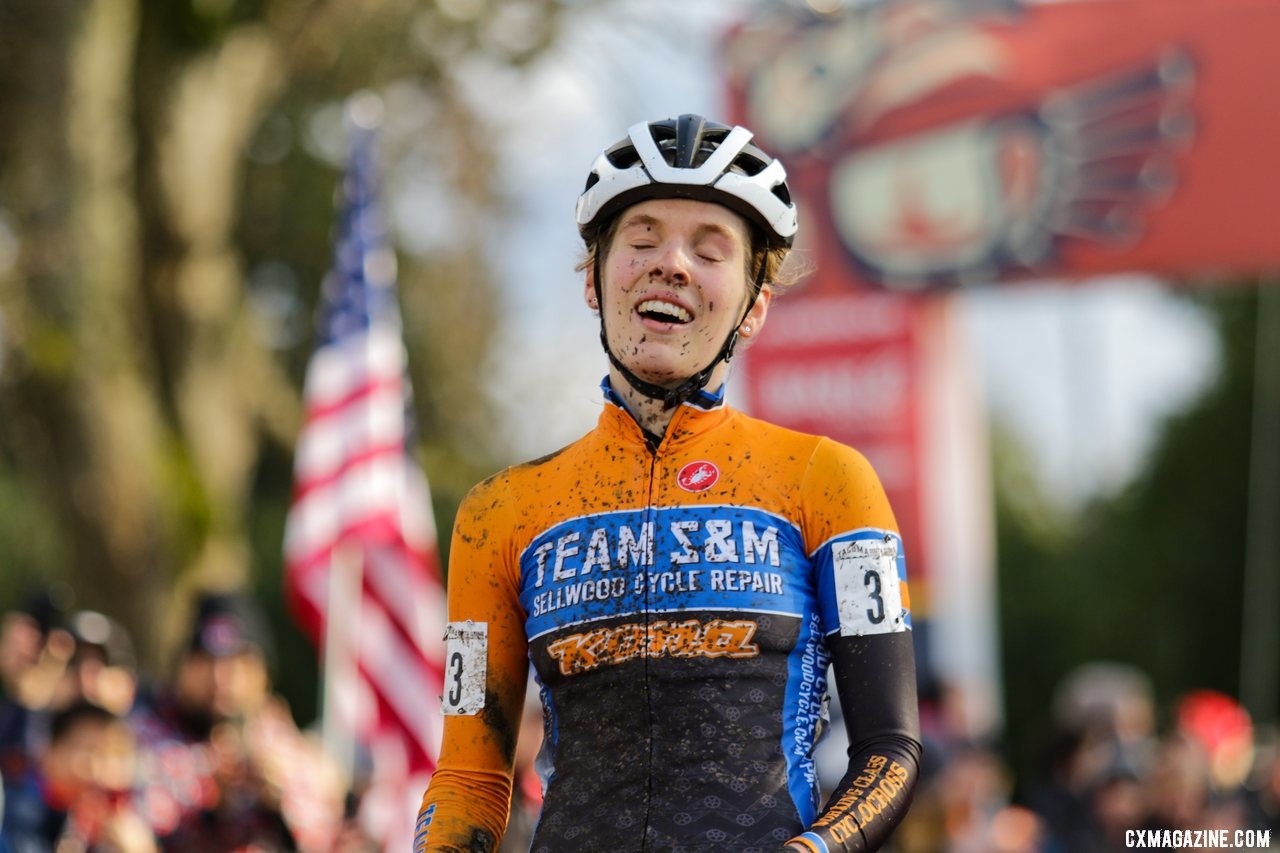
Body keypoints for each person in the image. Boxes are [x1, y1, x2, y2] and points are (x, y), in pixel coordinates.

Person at [416, 114, 921, 852]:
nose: (672, 264)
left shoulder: (827, 479)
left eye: (709, 249)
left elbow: (890, 749)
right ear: (593, 279)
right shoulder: (498, 512)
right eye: (643, 239)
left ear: (754, 306)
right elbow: (470, 780)